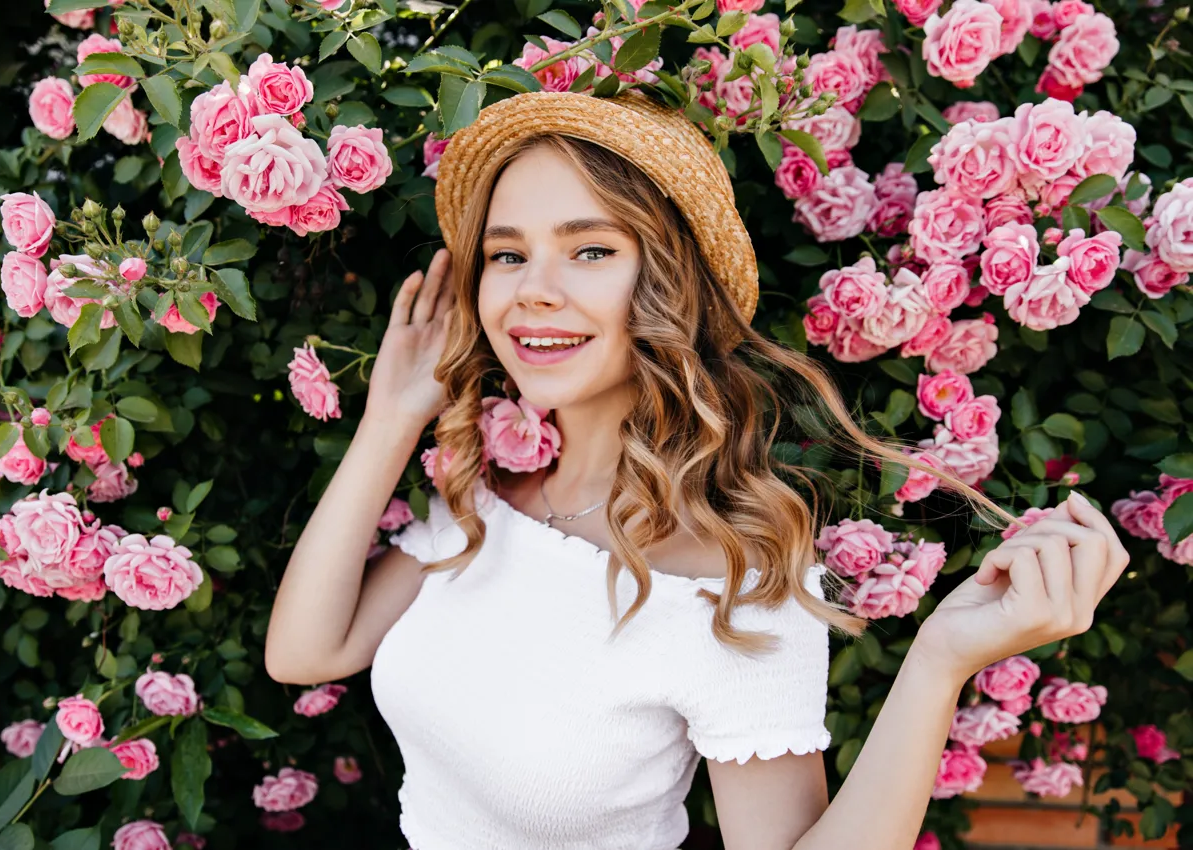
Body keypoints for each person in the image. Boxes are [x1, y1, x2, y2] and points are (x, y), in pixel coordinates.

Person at [265, 90, 1130, 850]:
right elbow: (305, 652)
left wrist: (941, 661)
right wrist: (391, 416)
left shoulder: (731, 586)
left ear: (669, 283)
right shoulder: (487, 496)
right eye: (507, 253)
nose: (532, 288)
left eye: (591, 249)